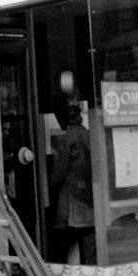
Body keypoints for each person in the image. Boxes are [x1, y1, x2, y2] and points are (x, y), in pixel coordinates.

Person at [49, 102, 96, 265]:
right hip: (89, 196)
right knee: (89, 239)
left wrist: (52, 185)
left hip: (72, 197)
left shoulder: (66, 138)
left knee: (70, 240)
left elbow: (58, 173)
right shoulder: (89, 135)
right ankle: (92, 274)